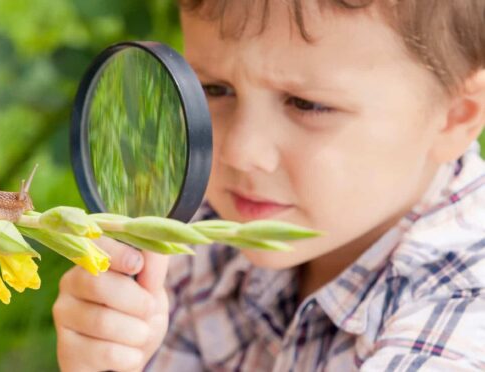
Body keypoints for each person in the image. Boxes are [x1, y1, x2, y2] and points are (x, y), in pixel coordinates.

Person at [53, 0, 485, 371]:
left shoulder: (460, 329)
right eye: (214, 89)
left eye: (308, 104)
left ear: (455, 116)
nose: (240, 152)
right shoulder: (208, 245)